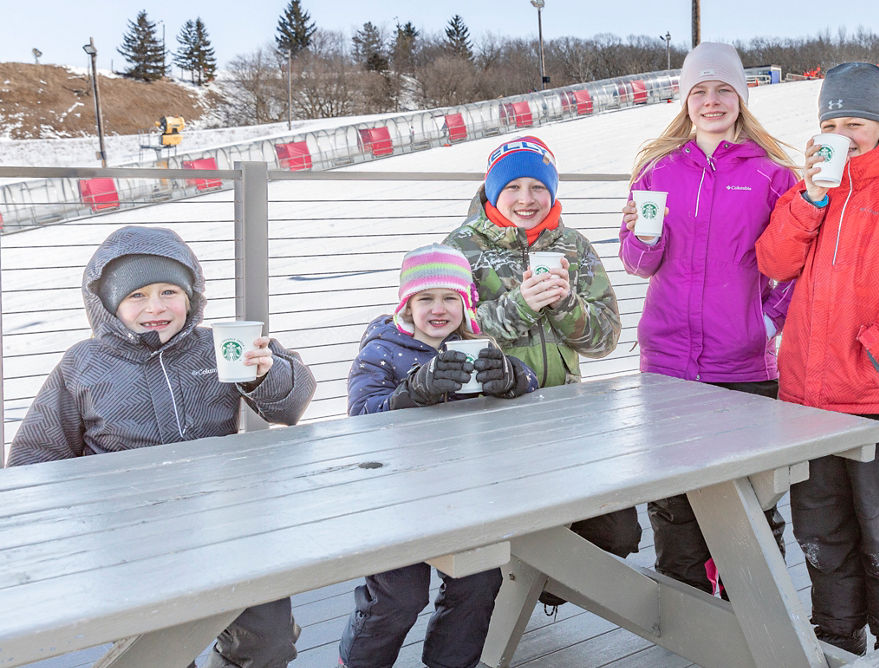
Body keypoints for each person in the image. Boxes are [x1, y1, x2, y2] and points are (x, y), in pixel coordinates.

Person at [7, 225, 317, 668]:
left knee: (267, 640)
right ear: (108, 304)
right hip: (134, 543)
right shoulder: (83, 363)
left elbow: (290, 406)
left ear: (192, 296)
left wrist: (267, 375)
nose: (155, 307)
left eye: (169, 291)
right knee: (160, 652)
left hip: (227, 525)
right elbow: (35, 455)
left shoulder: (219, 346)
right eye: (136, 296)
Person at [755, 62, 879, 654]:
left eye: (856, 122)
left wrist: (875, 356)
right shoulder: (812, 189)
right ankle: (838, 644)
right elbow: (773, 261)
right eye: (833, 122)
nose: (843, 134)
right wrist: (812, 198)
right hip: (804, 402)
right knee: (822, 534)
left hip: (876, 401)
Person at [618, 41, 799, 597]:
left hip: (741, 362)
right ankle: (684, 612)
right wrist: (643, 236)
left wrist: (765, 325)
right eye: (700, 91)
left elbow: (797, 265)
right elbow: (637, 262)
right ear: (685, 100)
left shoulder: (772, 176)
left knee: (748, 496)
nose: (712, 101)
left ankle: (756, 606)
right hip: (668, 362)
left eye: (724, 90)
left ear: (742, 98)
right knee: (673, 499)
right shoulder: (657, 171)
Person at [443, 136, 642, 603]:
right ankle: (503, 602)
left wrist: (565, 304)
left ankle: (543, 585)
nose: (527, 199)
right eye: (513, 186)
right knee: (493, 548)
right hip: (490, 422)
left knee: (619, 532)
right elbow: (446, 341)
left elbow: (606, 337)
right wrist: (520, 307)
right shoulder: (460, 248)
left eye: (538, 186)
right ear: (493, 191)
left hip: (565, 416)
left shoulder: (572, 245)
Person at [340, 243, 538, 668]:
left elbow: (530, 381)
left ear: (466, 303)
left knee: (478, 584)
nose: (438, 309)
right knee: (397, 598)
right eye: (425, 298)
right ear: (406, 305)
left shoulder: (474, 343)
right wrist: (413, 391)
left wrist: (509, 377)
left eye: (450, 298)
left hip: (463, 494)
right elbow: (360, 413)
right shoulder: (382, 349)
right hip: (398, 498)